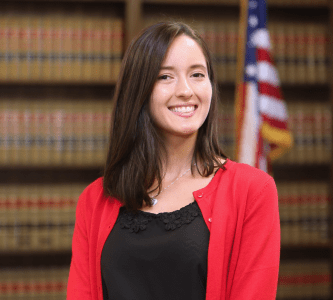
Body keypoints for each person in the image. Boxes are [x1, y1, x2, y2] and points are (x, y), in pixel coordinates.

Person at [67, 21, 280, 300]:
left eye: (197, 75)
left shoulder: (253, 191)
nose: (186, 91)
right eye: (165, 76)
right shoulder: (94, 200)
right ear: (139, 91)